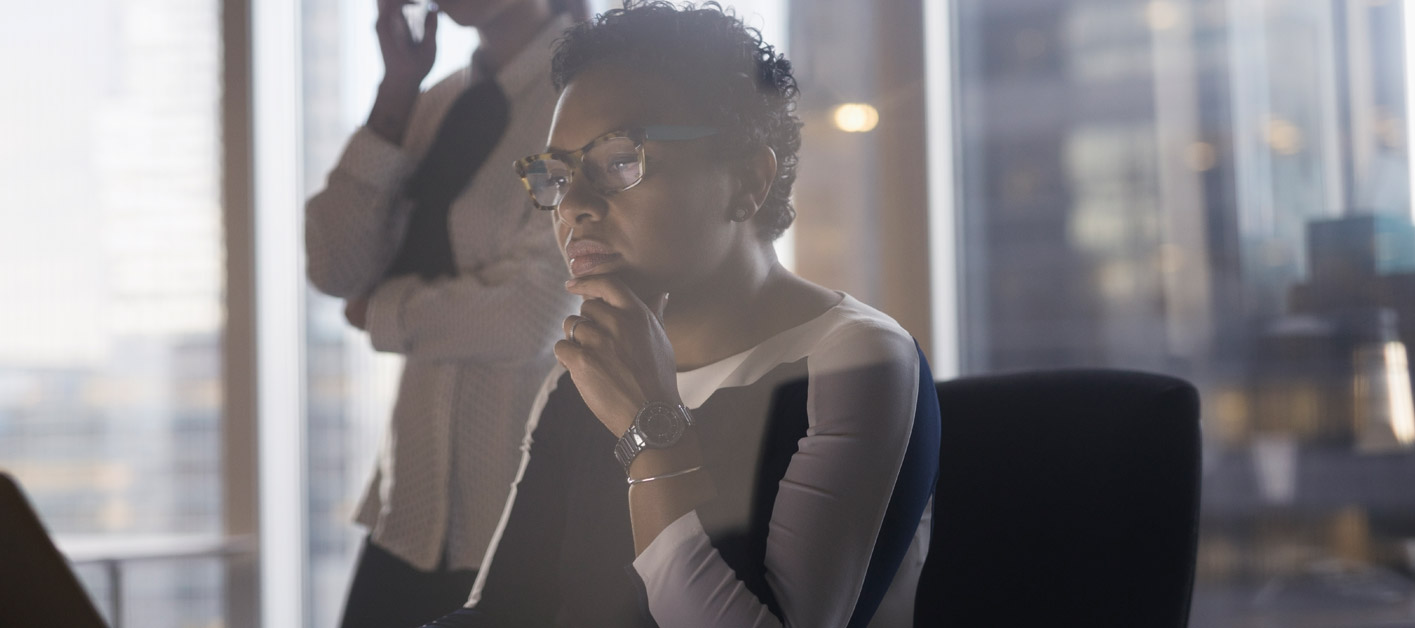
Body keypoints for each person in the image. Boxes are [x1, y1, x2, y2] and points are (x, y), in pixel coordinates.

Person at [425, 3, 942, 626]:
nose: (573, 207)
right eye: (558, 174)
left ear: (747, 179)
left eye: (618, 159)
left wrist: (649, 424)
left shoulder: (853, 360)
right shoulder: (582, 377)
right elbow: (502, 614)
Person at [303, 0, 589, 625]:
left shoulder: (584, 100)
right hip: (407, 514)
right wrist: (396, 93)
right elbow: (334, 266)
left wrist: (382, 312)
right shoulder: (433, 104)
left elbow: (533, 313)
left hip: (519, 518)